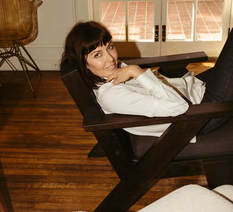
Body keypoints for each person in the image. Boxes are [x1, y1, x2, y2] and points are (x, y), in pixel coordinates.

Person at [61, 20, 233, 138]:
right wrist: (137, 71)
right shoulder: (111, 95)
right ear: (84, 65)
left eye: (110, 47)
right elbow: (180, 108)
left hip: (196, 88)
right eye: (97, 54)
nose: (110, 58)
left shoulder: (109, 72)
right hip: (201, 114)